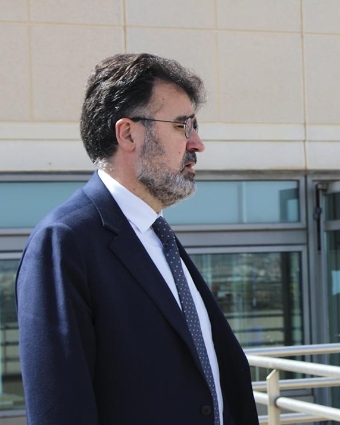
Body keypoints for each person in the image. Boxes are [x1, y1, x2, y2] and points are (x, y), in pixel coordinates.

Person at [16, 53, 258, 425]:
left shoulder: (158, 236)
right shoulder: (64, 242)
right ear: (128, 133)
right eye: (183, 126)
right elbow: (60, 410)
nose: (197, 144)